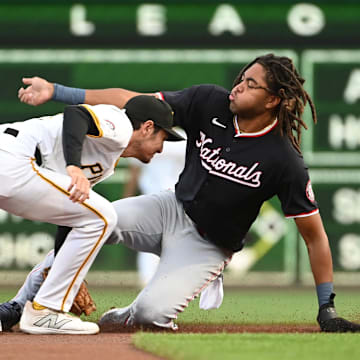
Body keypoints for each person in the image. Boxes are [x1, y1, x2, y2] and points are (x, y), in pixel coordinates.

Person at [6, 53, 360, 333]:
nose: (238, 86)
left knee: (151, 314)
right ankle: (21, 306)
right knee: (95, 219)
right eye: (241, 78)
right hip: (168, 208)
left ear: (274, 100)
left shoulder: (284, 160)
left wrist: (326, 306)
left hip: (207, 245)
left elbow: (314, 238)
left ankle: (131, 313)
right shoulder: (209, 101)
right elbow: (132, 101)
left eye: (251, 84)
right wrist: (57, 91)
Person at [0, 94, 183, 334]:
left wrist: (61, 275)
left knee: (93, 217)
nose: (162, 147)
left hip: (14, 163)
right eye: (163, 137)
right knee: (104, 216)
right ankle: (46, 310)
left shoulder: (106, 161)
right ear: (148, 127)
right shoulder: (119, 125)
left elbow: (71, 220)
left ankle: (22, 308)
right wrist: (74, 167)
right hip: (15, 159)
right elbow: (76, 114)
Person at [123, 127, 186, 285]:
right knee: (174, 241)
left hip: (156, 198)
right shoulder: (184, 137)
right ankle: (168, 282)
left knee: (149, 241)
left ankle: (149, 281)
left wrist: (127, 196)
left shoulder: (143, 137)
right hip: (173, 197)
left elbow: (134, 173)